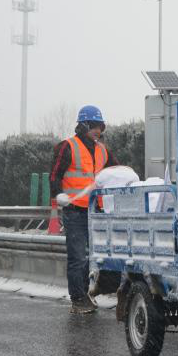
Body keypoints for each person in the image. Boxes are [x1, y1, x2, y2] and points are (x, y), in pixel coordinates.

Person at [50, 105, 121, 313]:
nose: (97, 131)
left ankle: (93, 291)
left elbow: (116, 170)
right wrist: (57, 195)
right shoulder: (67, 146)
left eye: (100, 126)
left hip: (95, 211)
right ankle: (78, 298)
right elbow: (55, 174)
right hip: (74, 210)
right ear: (83, 126)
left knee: (99, 255)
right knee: (78, 257)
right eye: (93, 126)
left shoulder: (102, 150)